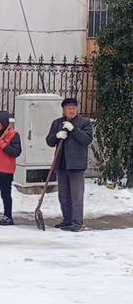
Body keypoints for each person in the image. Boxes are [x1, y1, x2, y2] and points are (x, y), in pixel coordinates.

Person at [46, 97, 93, 232]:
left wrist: (73, 129)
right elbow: (49, 141)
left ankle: (77, 222)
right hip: (61, 164)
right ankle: (66, 220)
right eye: (68, 108)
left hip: (76, 165)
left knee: (76, 195)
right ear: (63, 110)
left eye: (73, 108)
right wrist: (57, 136)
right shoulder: (57, 123)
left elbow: (87, 139)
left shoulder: (84, 122)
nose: (71, 110)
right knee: (64, 195)